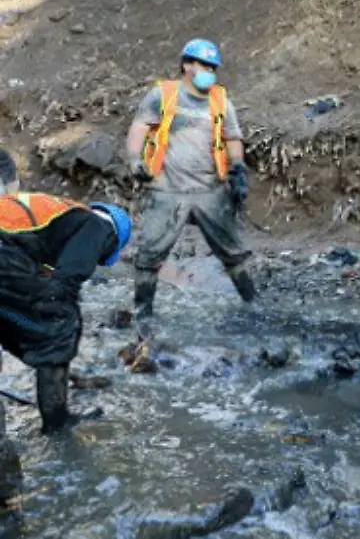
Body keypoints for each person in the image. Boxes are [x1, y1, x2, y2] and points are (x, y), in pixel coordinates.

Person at [124, 39, 255, 327]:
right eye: (204, 65)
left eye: (213, 66)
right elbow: (139, 129)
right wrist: (135, 160)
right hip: (168, 189)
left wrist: (238, 168)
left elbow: (233, 138)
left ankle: (254, 305)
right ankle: (142, 312)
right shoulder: (163, 95)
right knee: (149, 254)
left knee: (233, 252)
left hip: (211, 190)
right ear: (187, 65)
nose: (210, 71)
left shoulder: (220, 101)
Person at [0, 149, 132, 433]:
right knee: (60, 323)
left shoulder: (59, 215)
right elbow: (66, 280)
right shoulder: (98, 227)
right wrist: (60, 340)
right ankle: (57, 423)